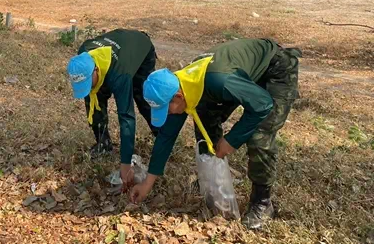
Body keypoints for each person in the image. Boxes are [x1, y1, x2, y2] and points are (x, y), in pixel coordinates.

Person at [130, 39, 301, 230]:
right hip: (236, 76)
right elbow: (166, 137)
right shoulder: (180, 87)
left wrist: (231, 140)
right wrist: (147, 184)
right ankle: (213, 183)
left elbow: (262, 104)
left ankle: (262, 202)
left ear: (178, 97)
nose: (168, 114)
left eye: (166, 109)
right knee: (205, 121)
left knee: (258, 135)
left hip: (275, 68)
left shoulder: (219, 82)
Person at [67, 29, 159, 187]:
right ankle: (103, 143)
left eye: (88, 82)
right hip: (120, 46)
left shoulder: (120, 74)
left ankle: (162, 135)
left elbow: (127, 117)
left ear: (96, 70)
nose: (87, 87)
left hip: (140, 48)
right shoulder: (83, 56)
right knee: (94, 96)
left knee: (143, 97)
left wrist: (125, 164)